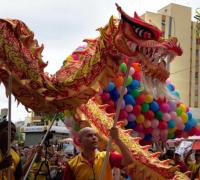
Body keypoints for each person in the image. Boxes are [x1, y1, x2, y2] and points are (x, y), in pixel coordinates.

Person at [62, 126, 133, 180]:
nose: (94, 137)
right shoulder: (72, 165)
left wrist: (117, 139)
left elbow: (129, 160)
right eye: (89, 135)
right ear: (80, 141)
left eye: (95, 135)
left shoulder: (107, 157)